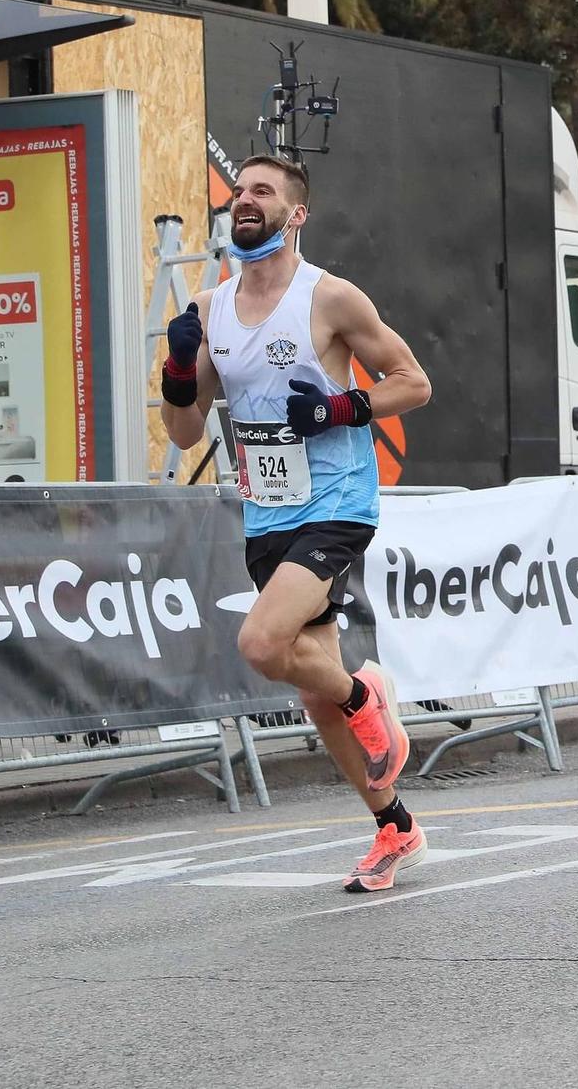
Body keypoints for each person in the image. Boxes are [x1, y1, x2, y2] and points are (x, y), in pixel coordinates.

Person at [161, 153, 434, 892]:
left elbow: (414, 382)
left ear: (296, 213)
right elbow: (185, 433)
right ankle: (396, 826)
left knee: (261, 640)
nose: (245, 201)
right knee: (313, 690)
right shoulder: (212, 308)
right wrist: (178, 374)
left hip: (338, 505)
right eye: (240, 191)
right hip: (267, 512)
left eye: (263, 192)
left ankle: (364, 696)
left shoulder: (331, 298)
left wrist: (341, 407)